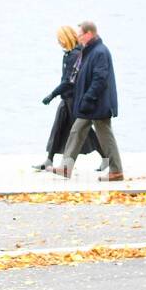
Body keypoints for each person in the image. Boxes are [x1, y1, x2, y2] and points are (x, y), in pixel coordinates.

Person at [53, 21, 124, 180]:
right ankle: (66, 168)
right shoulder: (89, 51)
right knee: (76, 131)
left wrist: (88, 98)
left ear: (89, 34)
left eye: (79, 35)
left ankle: (116, 171)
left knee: (106, 137)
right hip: (90, 105)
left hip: (98, 105)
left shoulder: (100, 52)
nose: (78, 39)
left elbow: (100, 79)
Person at [33, 26, 101, 171]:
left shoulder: (75, 55)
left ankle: (107, 157)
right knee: (58, 128)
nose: (59, 43)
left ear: (66, 38)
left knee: (87, 132)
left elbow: (68, 82)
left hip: (74, 101)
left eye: (60, 39)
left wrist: (52, 95)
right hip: (67, 99)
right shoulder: (68, 55)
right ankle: (49, 160)